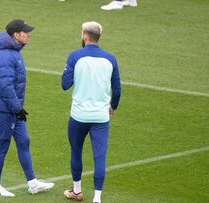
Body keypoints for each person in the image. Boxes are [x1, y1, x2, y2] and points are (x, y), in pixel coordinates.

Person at [0, 19, 54, 197]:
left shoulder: (13, 52)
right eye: (25, 32)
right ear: (16, 35)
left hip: (13, 108)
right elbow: (5, 85)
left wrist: (17, 108)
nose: (28, 34)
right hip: (5, 110)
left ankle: (32, 183)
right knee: (2, 145)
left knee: (24, 141)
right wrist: (17, 108)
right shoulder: (5, 56)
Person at [61, 21, 121, 203]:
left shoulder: (75, 56)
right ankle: (97, 198)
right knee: (100, 156)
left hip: (78, 116)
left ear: (85, 36)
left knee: (76, 151)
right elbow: (117, 90)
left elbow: (65, 84)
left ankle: (77, 191)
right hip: (101, 117)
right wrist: (113, 107)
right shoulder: (110, 58)